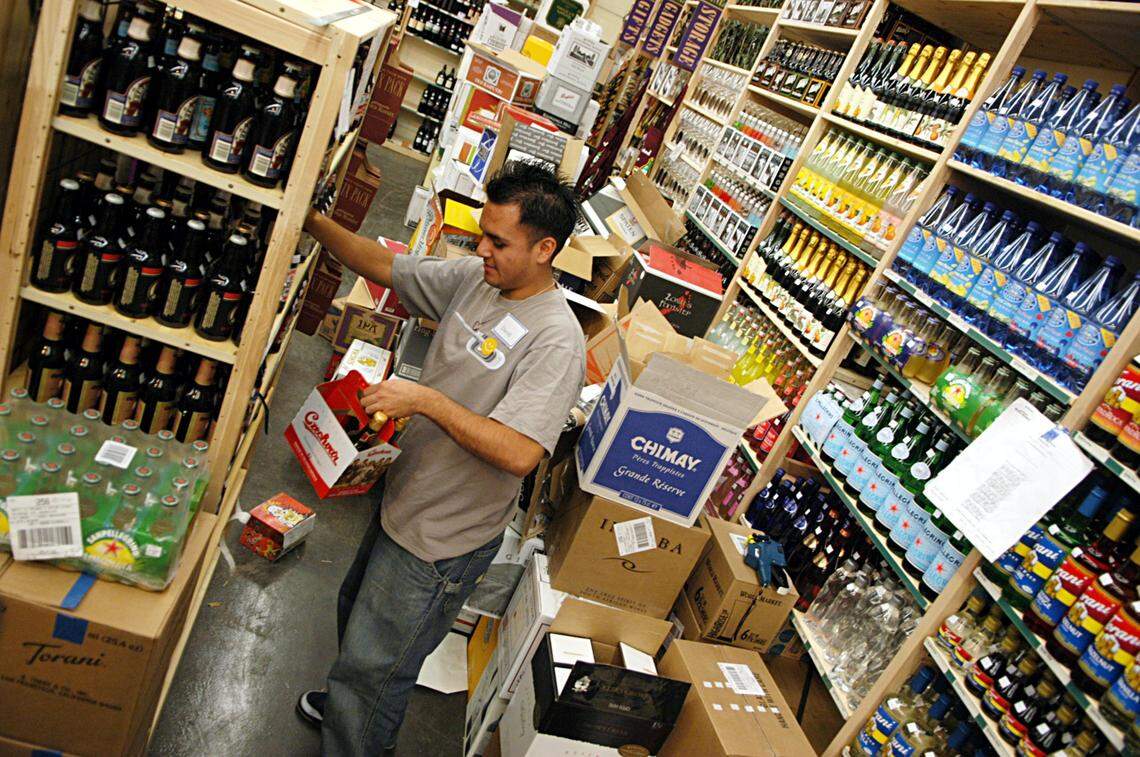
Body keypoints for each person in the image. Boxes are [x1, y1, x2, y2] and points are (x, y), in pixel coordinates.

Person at [296, 161, 586, 756]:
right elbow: (385, 266)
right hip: (404, 495)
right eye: (483, 233)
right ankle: (348, 702)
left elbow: (520, 453)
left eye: (499, 241)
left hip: (441, 538)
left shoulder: (556, 340)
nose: (482, 249)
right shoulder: (481, 279)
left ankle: (354, 731)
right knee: (357, 621)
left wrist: (425, 400)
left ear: (544, 249)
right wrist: (311, 220)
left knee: (381, 668)